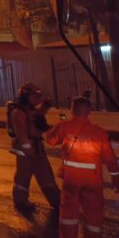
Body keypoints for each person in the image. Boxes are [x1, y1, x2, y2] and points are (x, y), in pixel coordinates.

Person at [45, 96, 119, 237]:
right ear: (89, 111)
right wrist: (116, 176)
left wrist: (59, 125)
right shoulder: (100, 133)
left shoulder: (64, 127)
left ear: (72, 110)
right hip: (92, 181)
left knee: (68, 213)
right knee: (93, 214)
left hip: (71, 179)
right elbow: (110, 158)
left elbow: (51, 139)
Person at [7, 83, 60, 212]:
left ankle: (58, 202)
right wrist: (29, 149)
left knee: (46, 176)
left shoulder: (29, 110)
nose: (37, 98)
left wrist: (46, 105)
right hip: (27, 150)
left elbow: (36, 117)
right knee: (23, 178)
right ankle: (20, 201)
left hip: (36, 147)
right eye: (35, 96)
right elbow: (22, 134)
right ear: (26, 96)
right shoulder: (18, 112)